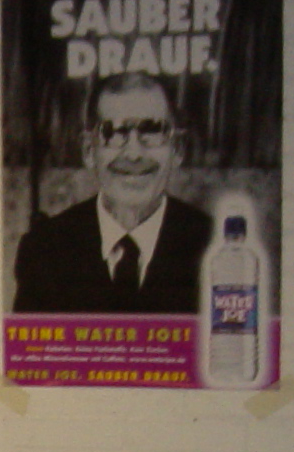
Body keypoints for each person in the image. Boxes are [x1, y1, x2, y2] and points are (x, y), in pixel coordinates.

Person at [12, 71, 213, 316]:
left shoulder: (214, 245)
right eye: (113, 133)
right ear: (89, 151)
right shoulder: (43, 251)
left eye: (152, 131)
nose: (134, 154)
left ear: (177, 150)